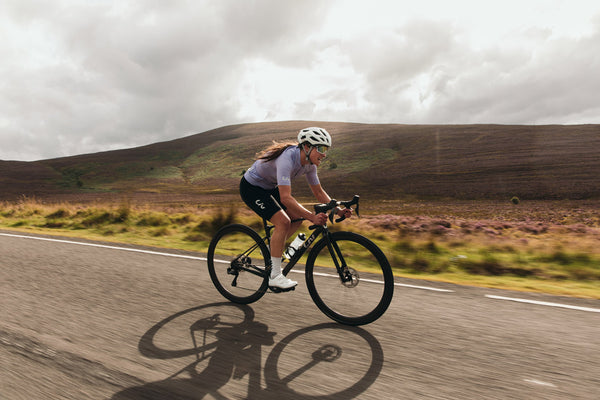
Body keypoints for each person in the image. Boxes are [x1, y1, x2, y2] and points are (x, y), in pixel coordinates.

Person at [239, 127, 352, 289]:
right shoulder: (287, 159)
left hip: (269, 187)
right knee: (283, 222)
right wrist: (312, 217)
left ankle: (273, 250)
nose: (324, 154)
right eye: (321, 148)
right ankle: (275, 276)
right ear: (307, 147)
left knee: (297, 218)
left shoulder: (310, 165)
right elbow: (285, 197)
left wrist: (338, 210)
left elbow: (319, 192)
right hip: (251, 187)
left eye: (326, 149)